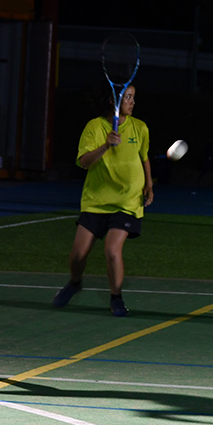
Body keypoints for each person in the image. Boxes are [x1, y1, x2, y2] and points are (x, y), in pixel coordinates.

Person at [52, 85, 152, 316]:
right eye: (128, 97)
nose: (132, 102)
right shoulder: (94, 127)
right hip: (96, 200)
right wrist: (106, 145)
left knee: (112, 251)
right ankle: (75, 283)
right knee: (77, 255)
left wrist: (149, 183)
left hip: (127, 200)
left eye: (133, 98)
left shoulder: (140, 127)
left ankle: (116, 298)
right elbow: (84, 162)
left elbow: (144, 157)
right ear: (112, 101)